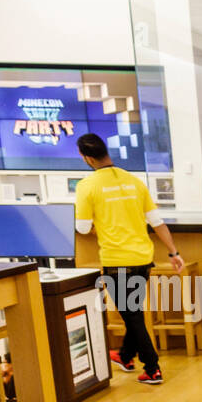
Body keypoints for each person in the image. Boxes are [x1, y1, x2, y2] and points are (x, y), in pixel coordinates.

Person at [74, 132, 183, 386]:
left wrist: (100, 225)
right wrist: (174, 252)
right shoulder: (134, 181)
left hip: (115, 260)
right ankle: (125, 356)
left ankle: (153, 368)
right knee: (133, 312)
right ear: (106, 151)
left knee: (131, 315)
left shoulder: (86, 186)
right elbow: (157, 222)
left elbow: (81, 227)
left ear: (86, 157)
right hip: (143, 257)